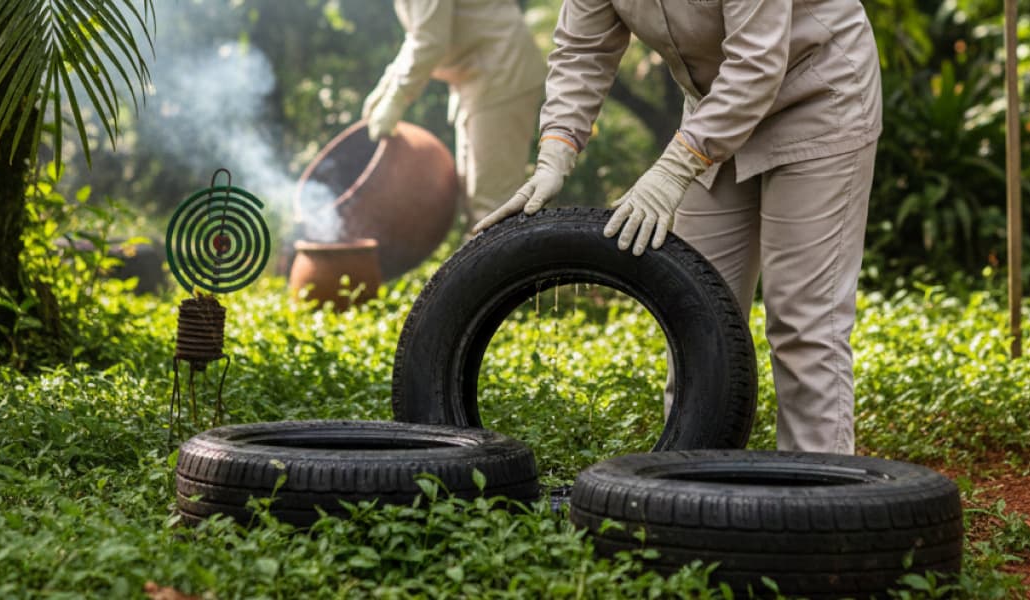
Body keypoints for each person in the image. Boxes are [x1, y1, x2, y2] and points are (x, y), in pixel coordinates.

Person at [473, 0, 882, 455]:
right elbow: (581, 50)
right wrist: (556, 152)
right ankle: (687, 483)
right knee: (696, 318)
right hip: (715, 110)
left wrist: (674, 169)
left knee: (803, 324)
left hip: (815, 95)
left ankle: (821, 489)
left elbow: (756, 64)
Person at [362, 0, 546, 230]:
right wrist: (385, 88)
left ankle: (531, 253)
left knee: (493, 206)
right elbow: (418, 34)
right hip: (477, 79)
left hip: (501, 72)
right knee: (474, 204)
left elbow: (430, 41)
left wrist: (396, 98)